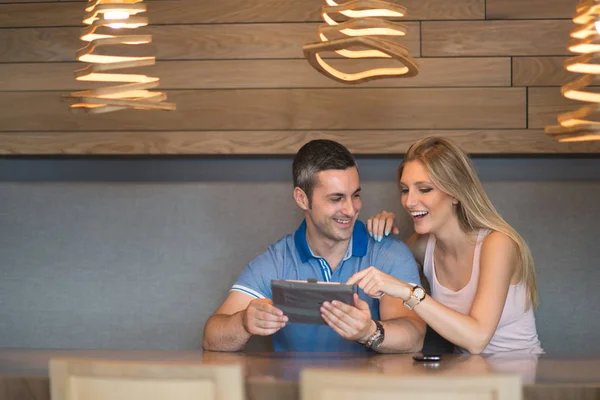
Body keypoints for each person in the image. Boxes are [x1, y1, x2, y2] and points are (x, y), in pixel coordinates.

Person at [202, 139, 426, 352]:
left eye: (355, 195)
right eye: (336, 198)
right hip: (293, 391)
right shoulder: (277, 260)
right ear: (302, 199)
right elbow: (212, 337)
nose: (350, 209)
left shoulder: (388, 253)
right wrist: (243, 322)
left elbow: (413, 334)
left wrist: (369, 331)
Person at [349, 136, 543, 354]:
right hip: (466, 377)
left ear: (455, 194)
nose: (410, 201)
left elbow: (477, 339)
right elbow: (388, 260)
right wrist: (384, 234)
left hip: (517, 379)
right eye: (405, 190)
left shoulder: (498, 244)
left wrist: (408, 292)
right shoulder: (423, 247)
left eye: (424, 189)